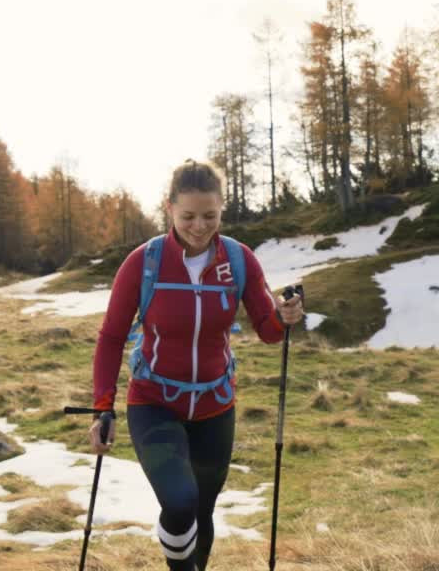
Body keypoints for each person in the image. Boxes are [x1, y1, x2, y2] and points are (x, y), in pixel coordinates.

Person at [90, 159, 304, 571]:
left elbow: (269, 329)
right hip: (154, 403)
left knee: (202, 510)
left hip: (215, 407)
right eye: (188, 216)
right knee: (180, 501)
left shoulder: (239, 261)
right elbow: (111, 337)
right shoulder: (144, 263)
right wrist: (103, 406)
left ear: (222, 208)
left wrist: (286, 315)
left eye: (210, 215)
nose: (200, 226)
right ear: (169, 209)